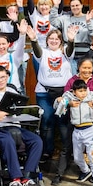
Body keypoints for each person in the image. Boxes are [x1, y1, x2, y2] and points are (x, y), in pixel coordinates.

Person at [27, 26, 75, 169]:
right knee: (47, 120)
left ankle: (66, 151)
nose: (53, 41)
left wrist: (71, 40)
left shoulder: (65, 52)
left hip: (63, 93)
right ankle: (48, 150)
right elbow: (37, 52)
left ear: (61, 41)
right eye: (51, 38)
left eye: (57, 39)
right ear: (47, 40)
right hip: (44, 92)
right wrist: (34, 39)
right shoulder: (43, 52)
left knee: (63, 121)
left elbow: (70, 50)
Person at [55, 79, 93, 186]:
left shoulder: (91, 96)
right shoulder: (69, 97)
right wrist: (64, 102)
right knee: (77, 158)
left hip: (89, 130)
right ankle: (85, 171)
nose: (83, 93)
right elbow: (57, 106)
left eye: (84, 90)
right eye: (80, 91)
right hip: (77, 131)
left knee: (92, 157)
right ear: (74, 92)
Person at [60, 58, 93, 179]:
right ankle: (84, 171)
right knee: (75, 149)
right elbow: (65, 97)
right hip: (75, 121)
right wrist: (69, 104)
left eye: (89, 68)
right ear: (79, 67)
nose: (87, 70)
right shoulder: (72, 81)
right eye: (84, 67)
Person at [22, 0, 64, 74]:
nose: (44, 7)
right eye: (41, 4)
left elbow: (60, 1)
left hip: (53, 51)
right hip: (38, 51)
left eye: (46, 5)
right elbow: (30, 1)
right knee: (40, 76)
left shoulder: (55, 15)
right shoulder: (35, 16)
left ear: (50, 6)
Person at [50, 0, 93, 73]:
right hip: (70, 55)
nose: (75, 7)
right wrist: (55, 6)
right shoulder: (65, 18)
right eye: (73, 6)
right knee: (73, 80)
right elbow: (53, 21)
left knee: (85, 79)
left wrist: (88, 21)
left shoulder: (87, 17)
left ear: (82, 5)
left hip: (85, 55)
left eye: (77, 5)